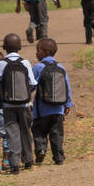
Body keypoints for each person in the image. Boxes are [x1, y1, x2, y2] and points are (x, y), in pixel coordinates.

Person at [0, 34, 36, 173]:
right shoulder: (25, 63)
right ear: (20, 47)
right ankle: (28, 160)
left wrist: (3, 91)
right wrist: (26, 93)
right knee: (26, 132)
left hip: (8, 105)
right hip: (25, 105)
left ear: (4, 47)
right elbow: (33, 82)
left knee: (12, 133)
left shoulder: (0, 64)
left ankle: (14, 164)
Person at [31, 38, 73, 166]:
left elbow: (31, 85)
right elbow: (67, 87)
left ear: (43, 52)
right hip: (58, 109)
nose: (36, 53)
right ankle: (59, 157)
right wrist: (68, 104)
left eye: (37, 50)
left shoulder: (38, 67)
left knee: (39, 131)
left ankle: (41, 150)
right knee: (57, 134)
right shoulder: (61, 67)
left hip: (41, 110)